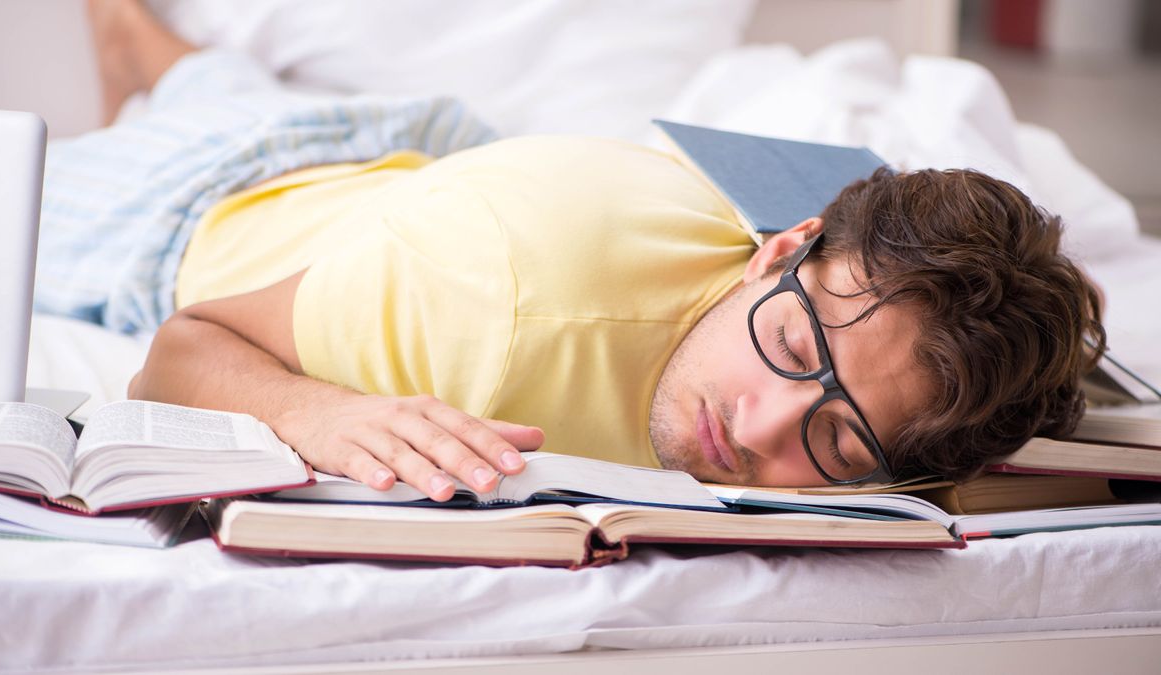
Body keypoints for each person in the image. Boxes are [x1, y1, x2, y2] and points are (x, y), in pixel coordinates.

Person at [54, 1, 1104, 502]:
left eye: (834, 443)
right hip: (210, 199)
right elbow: (185, 345)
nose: (754, 430)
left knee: (229, 82)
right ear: (780, 250)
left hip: (428, 163)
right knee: (184, 95)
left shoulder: (840, 307)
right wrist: (319, 410)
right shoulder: (490, 303)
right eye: (790, 345)